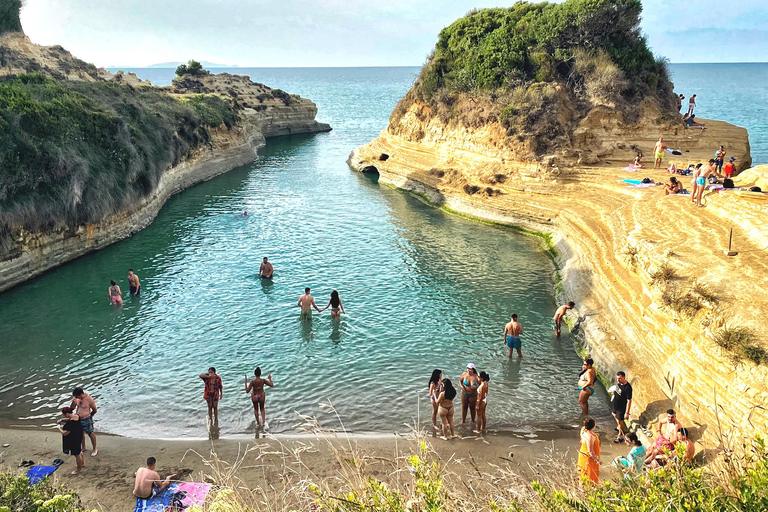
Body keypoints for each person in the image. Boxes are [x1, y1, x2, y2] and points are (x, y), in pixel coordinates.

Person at [71, 387, 98, 456]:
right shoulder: (77, 399)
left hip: (87, 418)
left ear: (81, 394)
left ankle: (95, 448)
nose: (77, 398)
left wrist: (89, 416)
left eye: (77, 396)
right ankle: (83, 446)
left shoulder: (89, 399)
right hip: (78, 418)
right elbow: (72, 408)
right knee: (80, 433)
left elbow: (95, 410)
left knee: (90, 433)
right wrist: (73, 402)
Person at [57, 407, 84, 475]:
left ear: (67, 414)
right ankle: (82, 464)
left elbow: (65, 433)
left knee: (76, 454)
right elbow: (69, 419)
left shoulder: (71, 424)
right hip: (79, 436)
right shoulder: (76, 416)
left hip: (74, 439)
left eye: (64, 415)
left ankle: (78, 469)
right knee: (79, 451)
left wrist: (59, 428)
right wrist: (62, 420)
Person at [610, 372, 633, 442]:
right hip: (615, 404)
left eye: (620, 378)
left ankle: (620, 436)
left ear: (624, 377)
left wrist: (627, 413)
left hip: (621, 406)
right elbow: (617, 391)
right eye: (617, 378)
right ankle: (619, 427)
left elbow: (629, 400)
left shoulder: (628, 388)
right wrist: (613, 394)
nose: (618, 380)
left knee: (620, 420)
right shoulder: (619, 384)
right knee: (614, 414)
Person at [578, 417, 601, 486]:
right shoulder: (590, 437)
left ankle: (583, 487)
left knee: (583, 473)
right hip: (588, 458)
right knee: (589, 473)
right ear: (594, 426)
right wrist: (597, 460)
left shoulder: (583, 431)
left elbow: (583, 429)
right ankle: (587, 488)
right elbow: (590, 451)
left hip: (583, 454)